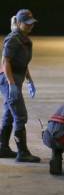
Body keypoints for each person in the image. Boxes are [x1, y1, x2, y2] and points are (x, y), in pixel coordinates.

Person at [0, 9, 40, 162]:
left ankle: (2, 148)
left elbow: (22, 63)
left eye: (31, 24)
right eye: (26, 24)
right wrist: (11, 84)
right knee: (20, 115)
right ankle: (22, 153)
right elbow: (6, 62)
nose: (30, 26)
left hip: (16, 78)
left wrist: (29, 80)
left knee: (9, 114)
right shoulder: (13, 39)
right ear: (18, 23)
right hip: (8, 80)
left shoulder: (24, 39)